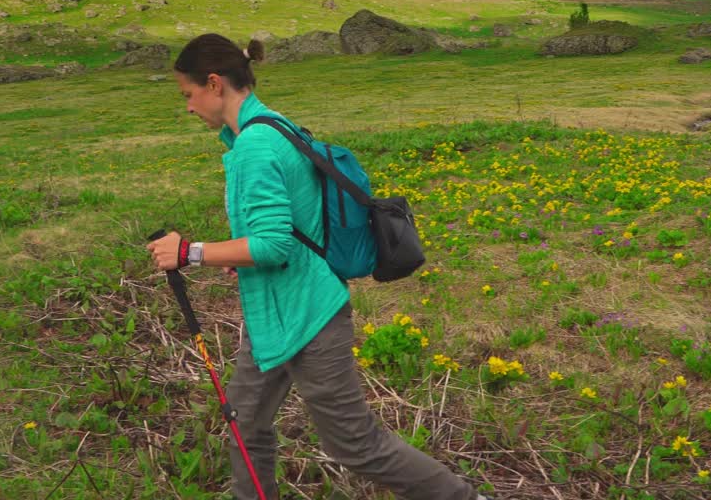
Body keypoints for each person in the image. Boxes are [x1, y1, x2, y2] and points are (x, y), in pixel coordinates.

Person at [148, 33, 490, 500]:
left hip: (309, 317)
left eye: (188, 95)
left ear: (214, 84)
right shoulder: (274, 126)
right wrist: (239, 257)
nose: (188, 107)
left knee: (355, 444)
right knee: (245, 426)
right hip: (275, 316)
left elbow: (272, 245)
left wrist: (189, 252)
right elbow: (290, 227)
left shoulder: (255, 146)